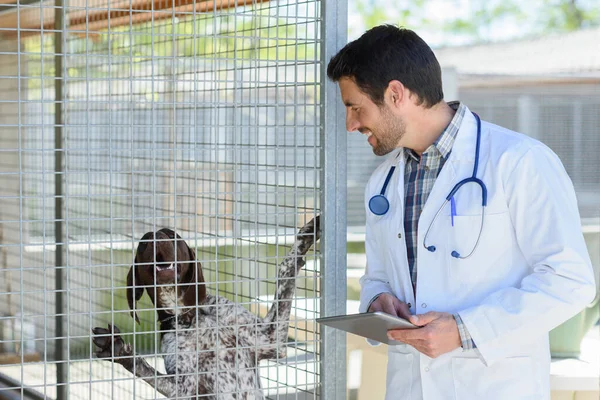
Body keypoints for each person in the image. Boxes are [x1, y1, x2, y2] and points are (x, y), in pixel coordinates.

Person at [327, 25, 596, 400]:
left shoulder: (519, 161)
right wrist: (378, 300)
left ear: (395, 93)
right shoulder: (382, 182)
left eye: (356, 107)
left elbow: (571, 282)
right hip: (410, 387)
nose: (351, 124)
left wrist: (465, 330)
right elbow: (378, 276)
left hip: (492, 386)